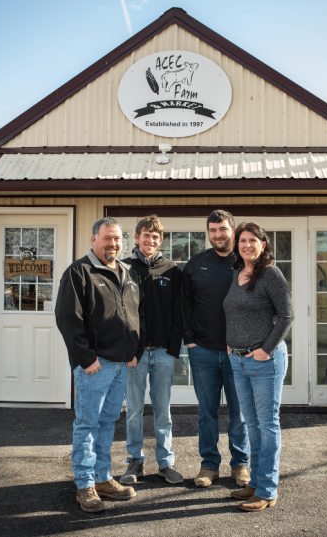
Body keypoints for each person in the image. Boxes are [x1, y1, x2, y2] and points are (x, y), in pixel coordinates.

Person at [55, 217, 145, 514]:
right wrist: (87, 359)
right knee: (88, 424)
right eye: (107, 238)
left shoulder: (127, 273)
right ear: (93, 239)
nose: (113, 243)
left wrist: (135, 350)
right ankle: (84, 484)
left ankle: (103, 477)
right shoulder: (79, 272)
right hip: (95, 365)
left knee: (108, 423)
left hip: (121, 364)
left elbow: (135, 315)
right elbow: (68, 319)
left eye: (118, 238)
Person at [223, 222, 294, 512]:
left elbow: (286, 316)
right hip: (238, 361)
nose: (247, 245)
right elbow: (234, 313)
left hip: (265, 361)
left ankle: (266, 490)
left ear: (263, 244)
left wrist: (266, 349)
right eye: (242, 240)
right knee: (250, 424)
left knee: (267, 425)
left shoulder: (271, 275)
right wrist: (231, 344)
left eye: (253, 240)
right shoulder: (237, 274)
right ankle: (253, 484)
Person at [181, 209, 250, 488]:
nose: (218, 235)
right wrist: (190, 340)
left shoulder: (246, 262)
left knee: (239, 412)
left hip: (239, 352)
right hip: (203, 352)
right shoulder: (197, 264)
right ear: (207, 233)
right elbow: (184, 304)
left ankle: (240, 464)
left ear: (232, 229)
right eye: (212, 230)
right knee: (206, 412)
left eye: (222, 229)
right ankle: (209, 465)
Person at [119, 215, 184, 486]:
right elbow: (119, 313)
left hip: (163, 353)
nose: (150, 240)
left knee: (162, 410)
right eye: (146, 235)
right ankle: (135, 461)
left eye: (155, 237)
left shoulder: (172, 270)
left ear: (161, 240)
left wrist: (173, 349)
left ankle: (165, 463)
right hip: (135, 354)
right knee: (134, 410)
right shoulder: (123, 268)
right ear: (137, 238)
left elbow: (179, 312)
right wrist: (127, 349)